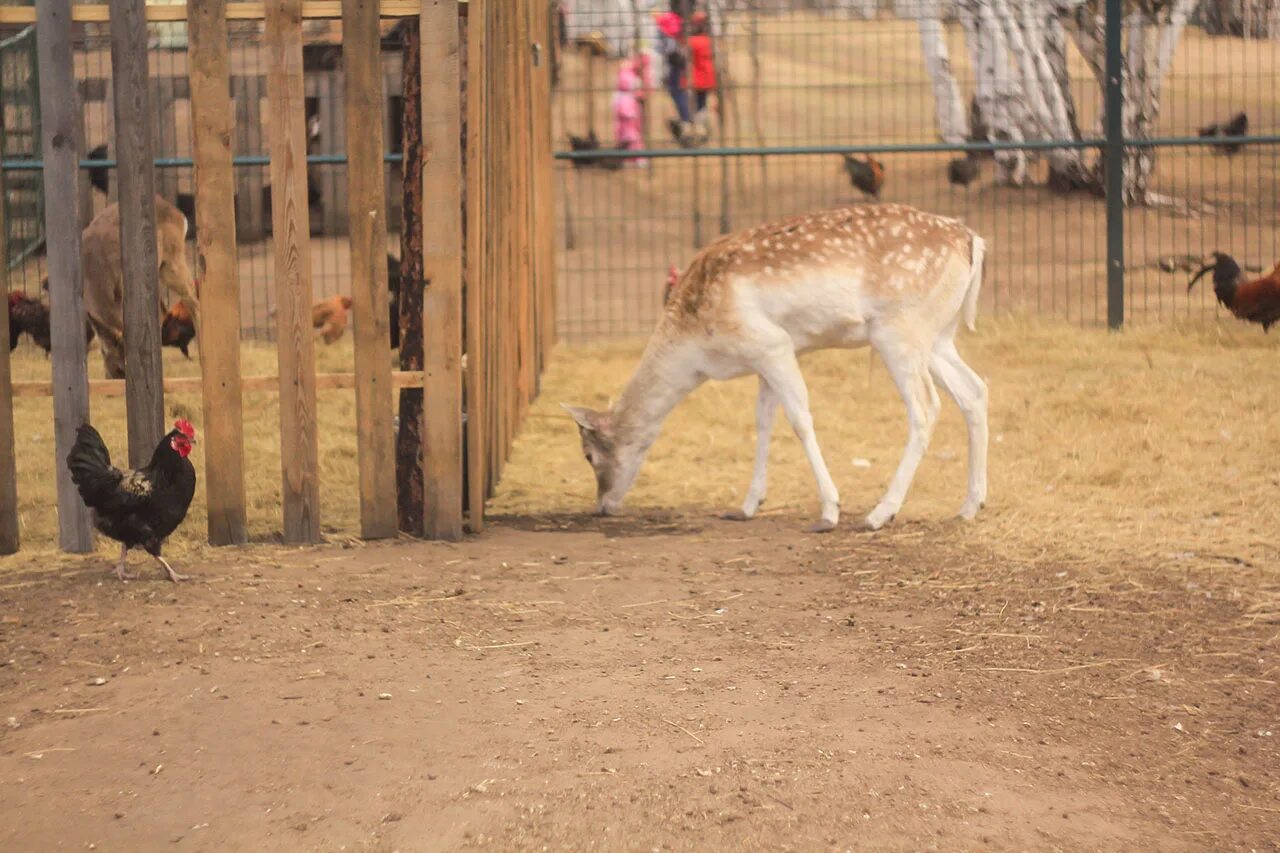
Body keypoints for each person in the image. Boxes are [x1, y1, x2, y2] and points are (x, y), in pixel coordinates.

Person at [654, 3, 693, 145]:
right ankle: (686, 119)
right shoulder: (677, 20)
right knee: (678, 91)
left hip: (673, 63)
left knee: (676, 91)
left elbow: (664, 47)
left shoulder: (665, 22)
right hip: (679, 61)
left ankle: (686, 119)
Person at [686, 11, 716, 143]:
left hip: (697, 79)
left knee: (697, 105)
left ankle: (699, 130)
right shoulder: (708, 40)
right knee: (702, 104)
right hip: (707, 78)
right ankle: (701, 128)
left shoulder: (693, 41)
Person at [612, 62, 647, 167]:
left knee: (631, 134)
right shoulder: (628, 77)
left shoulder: (627, 76)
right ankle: (631, 157)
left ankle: (631, 156)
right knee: (630, 135)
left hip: (630, 110)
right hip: (629, 111)